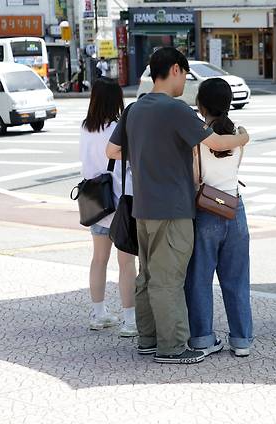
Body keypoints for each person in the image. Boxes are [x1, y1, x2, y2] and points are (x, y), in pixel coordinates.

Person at [106, 47, 249, 365]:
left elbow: (112, 150)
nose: (186, 81)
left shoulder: (134, 109)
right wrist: (243, 137)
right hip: (173, 209)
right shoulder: (176, 110)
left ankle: (148, 339)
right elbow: (216, 142)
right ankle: (171, 347)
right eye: (185, 74)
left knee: (147, 277)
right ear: (174, 69)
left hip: (141, 208)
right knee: (169, 280)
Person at [185, 78, 253, 358]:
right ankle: (241, 341)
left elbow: (193, 177)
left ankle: (202, 338)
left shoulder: (197, 135)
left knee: (199, 278)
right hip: (234, 208)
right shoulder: (237, 133)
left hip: (205, 209)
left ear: (201, 106)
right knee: (237, 279)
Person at [79, 78, 137, 337]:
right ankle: (130, 320)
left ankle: (98, 314)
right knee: (126, 264)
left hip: (95, 201)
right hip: (119, 203)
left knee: (98, 260)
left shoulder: (85, 127)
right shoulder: (117, 128)